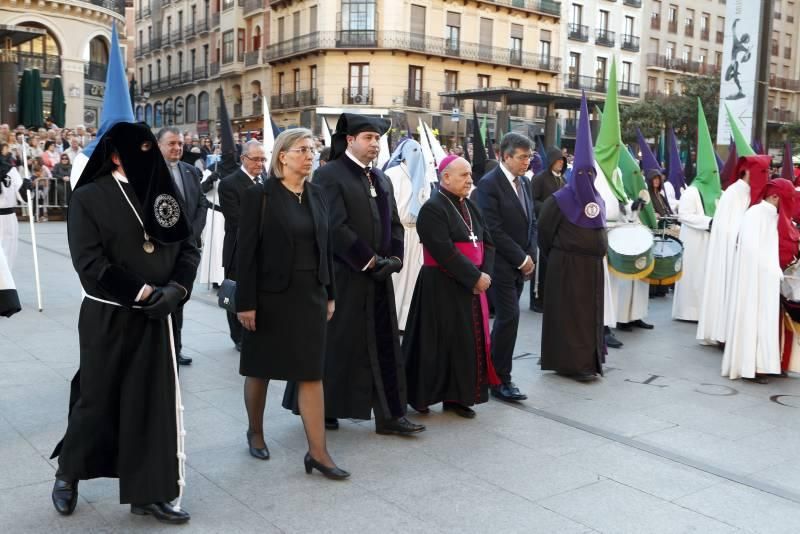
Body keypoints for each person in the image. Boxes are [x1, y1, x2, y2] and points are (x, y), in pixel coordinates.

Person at [50, 121, 199, 524]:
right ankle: (69, 472)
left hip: (160, 315)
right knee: (97, 399)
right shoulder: (88, 197)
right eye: (143, 149)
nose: (151, 156)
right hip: (109, 314)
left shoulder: (161, 192)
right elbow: (90, 263)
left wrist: (178, 290)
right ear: (116, 154)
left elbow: (188, 246)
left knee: (151, 402)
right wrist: (144, 293)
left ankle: (148, 492)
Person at [235, 128, 348, 478]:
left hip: (310, 293)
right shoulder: (261, 195)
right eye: (303, 149)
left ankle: (318, 452)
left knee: (311, 373)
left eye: (313, 150)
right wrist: (246, 302)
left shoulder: (317, 194)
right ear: (283, 156)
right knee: (260, 368)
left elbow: (324, 246)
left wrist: (328, 292)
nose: (310, 155)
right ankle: (255, 431)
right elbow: (246, 253)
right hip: (270, 296)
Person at [313, 113, 424, 436]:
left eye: (377, 139)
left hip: (378, 278)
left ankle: (390, 415)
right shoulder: (330, 176)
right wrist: (370, 261)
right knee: (340, 345)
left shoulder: (381, 178)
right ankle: (326, 406)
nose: (375, 144)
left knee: (385, 344)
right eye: (368, 138)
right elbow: (334, 226)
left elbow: (394, 224)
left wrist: (395, 258)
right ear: (350, 140)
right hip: (346, 276)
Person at [403, 155, 498, 418]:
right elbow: (443, 251)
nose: (470, 180)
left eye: (470, 175)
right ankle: (422, 396)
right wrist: (474, 277)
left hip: (470, 285)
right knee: (434, 343)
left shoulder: (472, 206)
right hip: (440, 286)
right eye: (463, 175)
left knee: (464, 344)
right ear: (446, 177)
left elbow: (487, 243)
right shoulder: (433, 208)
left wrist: (484, 274)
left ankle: (458, 397)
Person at [539, 94, 607, 382]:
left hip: (591, 269)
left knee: (588, 317)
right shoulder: (559, 199)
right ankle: (570, 363)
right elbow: (544, 231)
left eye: (589, 172)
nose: (586, 176)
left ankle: (590, 360)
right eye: (581, 172)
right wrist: (560, 255)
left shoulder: (598, 199)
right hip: (566, 268)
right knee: (568, 317)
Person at [475, 132, 536, 402]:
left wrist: (530, 254)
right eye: (522, 157)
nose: (527, 162)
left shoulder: (525, 183)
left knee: (508, 320)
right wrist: (520, 258)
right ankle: (500, 379)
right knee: (508, 317)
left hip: (520, 263)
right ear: (505, 156)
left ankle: (494, 372)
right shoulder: (489, 185)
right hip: (499, 264)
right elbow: (493, 229)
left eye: (529, 157)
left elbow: (530, 221)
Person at [722, 179, 795, 383]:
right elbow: (751, 250)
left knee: (767, 322)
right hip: (755, 281)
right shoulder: (755, 214)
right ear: (774, 196)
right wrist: (774, 271)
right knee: (754, 320)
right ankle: (751, 366)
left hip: (768, 279)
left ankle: (767, 363)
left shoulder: (772, 215)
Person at [697, 156, 768, 345]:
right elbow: (728, 227)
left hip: (741, 250)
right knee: (725, 288)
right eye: (761, 172)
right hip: (729, 252)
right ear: (746, 171)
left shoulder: (748, 192)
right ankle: (722, 334)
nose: (765, 176)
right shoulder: (733, 192)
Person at [158, 127, 208, 365]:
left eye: (180, 143)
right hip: (164, 250)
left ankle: (175, 349)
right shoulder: (151, 174)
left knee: (180, 299)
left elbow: (201, 204)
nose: (177, 148)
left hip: (188, 251)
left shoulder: (189, 171)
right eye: (171, 143)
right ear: (159, 145)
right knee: (164, 299)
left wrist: (193, 234)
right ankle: (161, 350)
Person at [672, 103, 720, 322]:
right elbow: (684, 215)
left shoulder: (716, 193)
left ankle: (702, 313)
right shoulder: (692, 191)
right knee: (691, 277)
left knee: (704, 278)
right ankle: (686, 312)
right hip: (693, 241)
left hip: (708, 242)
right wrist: (708, 222)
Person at [219, 140, 266, 351]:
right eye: (255, 159)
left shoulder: (265, 180)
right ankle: (237, 337)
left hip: (263, 248)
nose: (260, 164)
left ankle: (254, 330)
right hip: (238, 248)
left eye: (263, 159)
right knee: (236, 291)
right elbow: (237, 220)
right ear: (243, 159)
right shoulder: (229, 183)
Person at [383, 139, 430, 330]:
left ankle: (408, 321)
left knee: (415, 278)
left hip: (417, 233)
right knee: (397, 277)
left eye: (418, 150)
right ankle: (391, 319)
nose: (416, 153)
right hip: (399, 231)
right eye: (412, 150)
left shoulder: (423, 176)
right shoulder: (391, 174)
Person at [530, 146, 567, 313]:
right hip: (542, 226)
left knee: (553, 266)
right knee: (541, 266)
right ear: (551, 161)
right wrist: (548, 207)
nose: (560, 163)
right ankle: (537, 300)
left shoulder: (564, 181)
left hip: (558, 229)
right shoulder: (539, 178)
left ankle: (549, 299)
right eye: (558, 160)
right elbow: (533, 201)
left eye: (562, 161)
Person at [0, 143, 31, 269]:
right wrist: (25, 186)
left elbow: (23, 196)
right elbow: (22, 197)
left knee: (8, 252)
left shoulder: (11, 170)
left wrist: (26, 186)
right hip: (8, 219)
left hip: (8, 217)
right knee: (8, 252)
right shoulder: (10, 170)